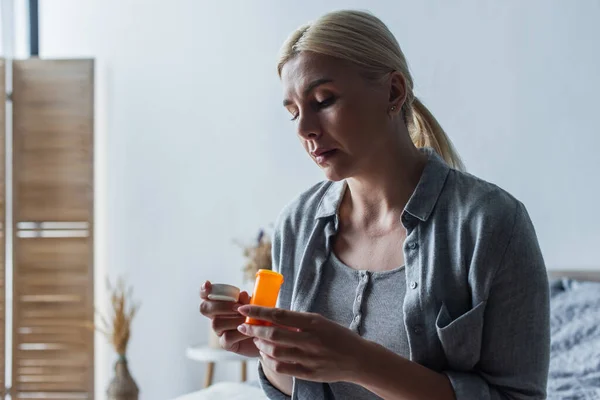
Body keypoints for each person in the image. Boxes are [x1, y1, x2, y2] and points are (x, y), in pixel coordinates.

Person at [199, 9, 550, 400]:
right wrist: (267, 351)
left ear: (394, 92)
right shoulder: (296, 224)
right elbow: (298, 392)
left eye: (324, 100)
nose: (303, 129)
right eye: (294, 112)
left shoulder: (493, 225)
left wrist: (360, 361)